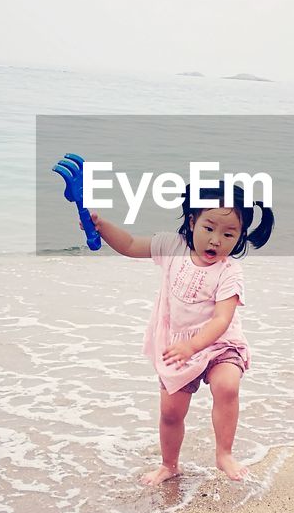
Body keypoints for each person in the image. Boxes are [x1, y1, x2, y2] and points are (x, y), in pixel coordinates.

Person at [86, 182, 274, 485]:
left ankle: (224, 453)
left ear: (239, 237)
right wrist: (102, 226)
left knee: (227, 385)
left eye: (228, 234)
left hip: (219, 344)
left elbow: (222, 319)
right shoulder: (172, 247)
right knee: (171, 413)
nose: (216, 240)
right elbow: (131, 244)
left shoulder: (229, 271)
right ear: (191, 221)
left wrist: (195, 345)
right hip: (177, 345)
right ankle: (169, 465)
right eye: (208, 228)